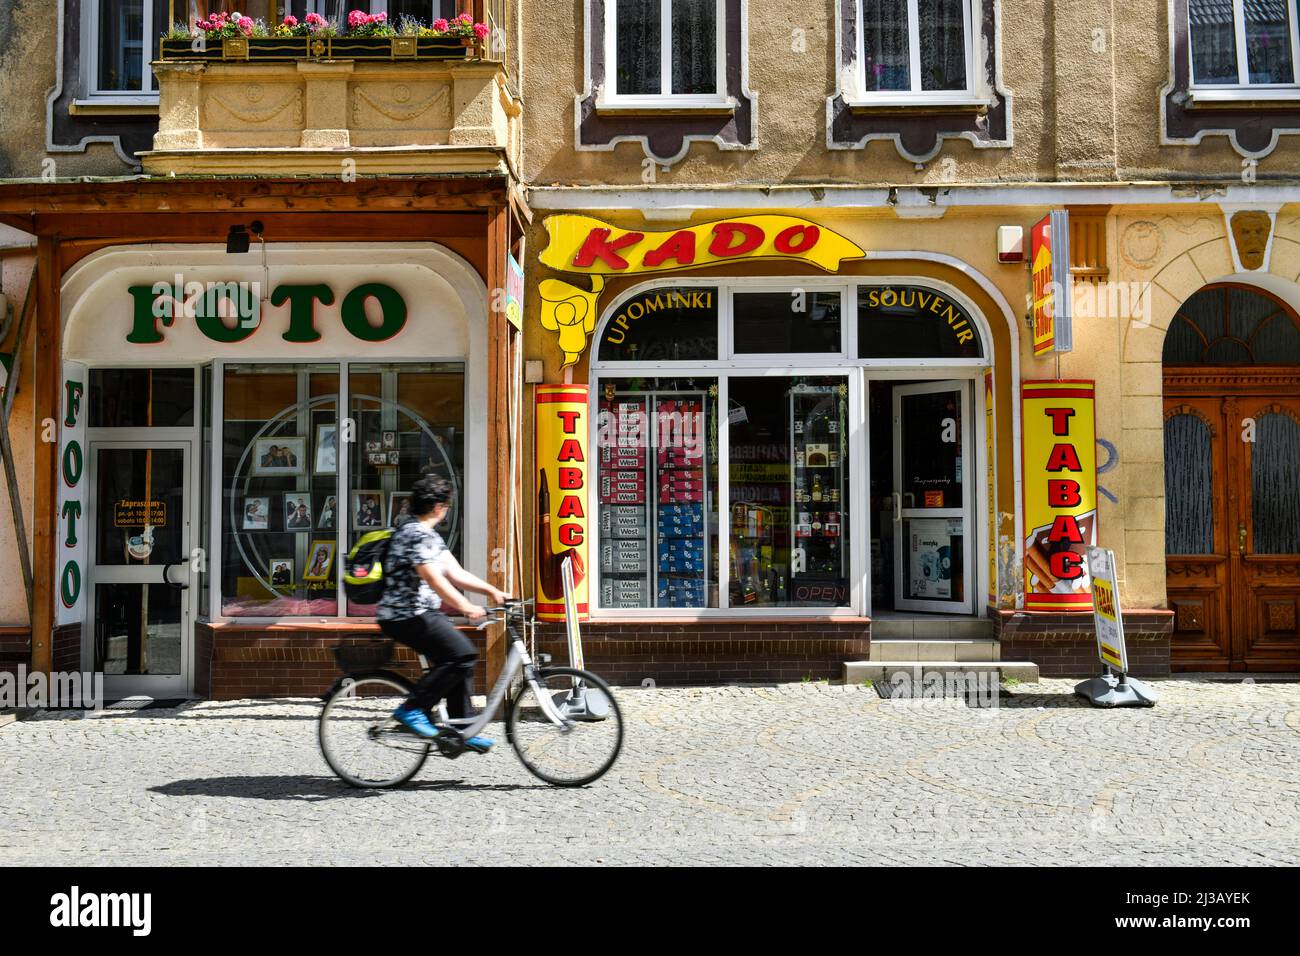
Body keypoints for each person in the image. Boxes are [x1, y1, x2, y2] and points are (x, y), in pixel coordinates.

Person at [379, 476, 506, 750]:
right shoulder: (414, 534)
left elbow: (456, 573)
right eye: (446, 505)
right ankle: (412, 708)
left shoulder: (428, 535)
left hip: (421, 613)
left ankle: (460, 731)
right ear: (439, 507)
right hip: (405, 615)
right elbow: (434, 579)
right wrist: (466, 607)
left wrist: (494, 592)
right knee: (462, 654)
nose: (446, 510)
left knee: (462, 659)